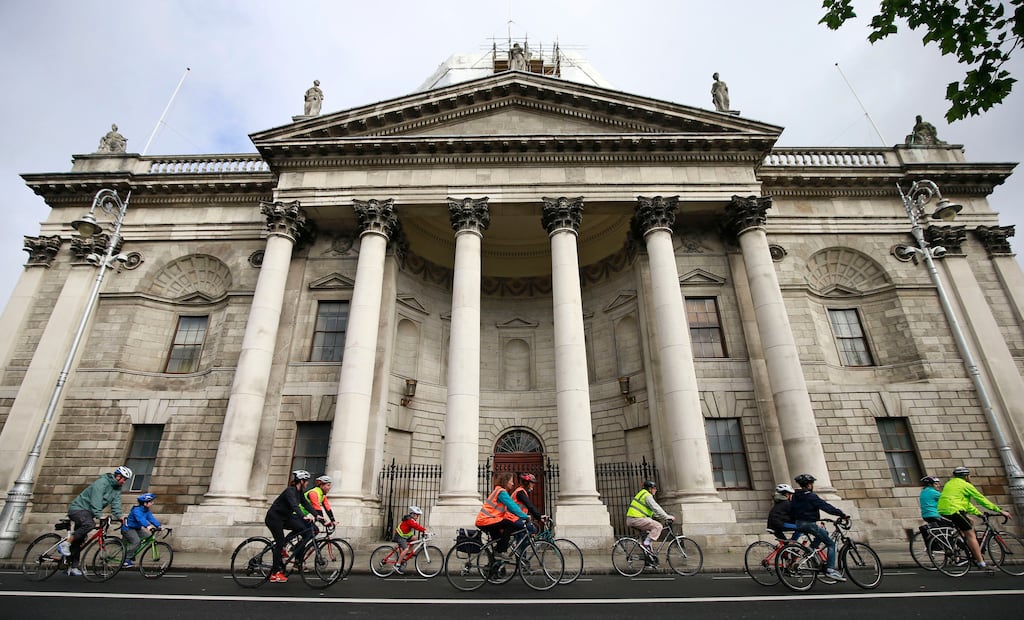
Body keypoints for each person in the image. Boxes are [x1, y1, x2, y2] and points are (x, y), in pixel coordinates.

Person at [57, 465, 131, 577]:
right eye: (124, 479)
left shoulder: (116, 489)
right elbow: (96, 499)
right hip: (78, 509)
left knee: (79, 539)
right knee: (89, 524)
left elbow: (116, 503)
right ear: (117, 476)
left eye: (126, 480)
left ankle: (72, 566)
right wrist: (99, 515)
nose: (124, 482)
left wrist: (120, 516)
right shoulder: (102, 483)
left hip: (88, 513)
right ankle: (65, 543)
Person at [937, 466, 1012, 569]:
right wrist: (1000, 510)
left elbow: (966, 504)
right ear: (966, 476)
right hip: (954, 510)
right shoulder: (966, 485)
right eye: (970, 475)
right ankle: (981, 562)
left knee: (970, 522)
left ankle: (961, 542)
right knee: (971, 535)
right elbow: (981, 499)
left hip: (944, 510)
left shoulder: (949, 484)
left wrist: (978, 513)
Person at [791, 473, 848, 582]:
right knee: (831, 544)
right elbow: (826, 507)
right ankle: (830, 570)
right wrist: (841, 514)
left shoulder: (795, 496)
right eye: (812, 483)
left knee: (824, 533)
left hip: (798, 523)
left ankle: (811, 549)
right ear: (808, 485)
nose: (812, 485)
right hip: (809, 523)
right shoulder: (811, 496)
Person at [265, 469, 317, 583]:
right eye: (306, 481)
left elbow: (306, 504)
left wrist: (318, 516)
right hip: (274, 518)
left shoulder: (299, 492)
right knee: (279, 542)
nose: (307, 483)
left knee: (303, 528)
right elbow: (294, 505)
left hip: (285, 518)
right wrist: (303, 516)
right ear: (301, 481)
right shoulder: (290, 491)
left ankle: (285, 545)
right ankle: (274, 573)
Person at [475, 471, 529, 560]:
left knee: (500, 540)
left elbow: (504, 511)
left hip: (486, 520)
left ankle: (493, 568)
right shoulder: (501, 492)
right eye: (511, 481)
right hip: (486, 521)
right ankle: (501, 552)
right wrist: (525, 516)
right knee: (510, 524)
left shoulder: (497, 490)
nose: (513, 483)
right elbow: (513, 507)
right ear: (506, 481)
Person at [625, 480, 674, 561]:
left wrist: (663, 517)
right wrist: (666, 517)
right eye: (654, 488)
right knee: (658, 526)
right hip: (636, 519)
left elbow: (654, 513)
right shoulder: (647, 495)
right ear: (649, 489)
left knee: (648, 536)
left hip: (635, 519)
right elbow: (656, 508)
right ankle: (646, 544)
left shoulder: (642, 494)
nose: (655, 490)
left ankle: (649, 559)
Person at [121, 492, 162, 568]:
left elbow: (151, 518)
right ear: (145, 503)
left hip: (137, 528)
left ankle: (133, 552)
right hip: (128, 528)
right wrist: (147, 526)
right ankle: (126, 559)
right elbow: (140, 519)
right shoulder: (137, 510)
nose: (152, 503)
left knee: (148, 537)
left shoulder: (147, 511)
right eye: (151, 502)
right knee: (136, 541)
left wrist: (159, 525)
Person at [393, 505, 427, 574]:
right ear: (412, 514)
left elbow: (416, 525)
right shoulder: (409, 520)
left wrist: (424, 530)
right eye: (417, 515)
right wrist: (424, 530)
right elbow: (416, 526)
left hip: (404, 536)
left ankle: (409, 553)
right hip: (399, 536)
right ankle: (397, 565)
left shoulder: (411, 520)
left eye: (418, 515)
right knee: (405, 549)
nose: (417, 517)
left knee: (414, 538)